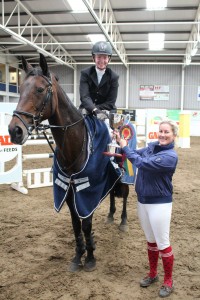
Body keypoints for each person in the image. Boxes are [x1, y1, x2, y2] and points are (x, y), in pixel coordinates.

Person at [114, 120, 178, 298]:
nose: (163, 135)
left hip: (160, 204)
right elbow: (133, 153)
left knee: (163, 243)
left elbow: (141, 163)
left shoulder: (170, 156)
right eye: (161, 131)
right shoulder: (151, 148)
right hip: (142, 201)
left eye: (166, 132)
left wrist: (126, 148)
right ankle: (153, 274)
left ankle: (168, 280)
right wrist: (121, 143)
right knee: (151, 241)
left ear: (173, 135)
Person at [79, 41, 119, 121]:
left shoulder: (114, 77)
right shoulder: (85, 73)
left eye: (105, 57)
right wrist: (93, 110)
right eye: (99, 57)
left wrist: (96, 109)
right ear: (93, 58)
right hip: (86, 109)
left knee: (110, 130)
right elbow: (84, 97)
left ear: (109, 59)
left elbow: (110, 102)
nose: (101, 60)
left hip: (106, 110)